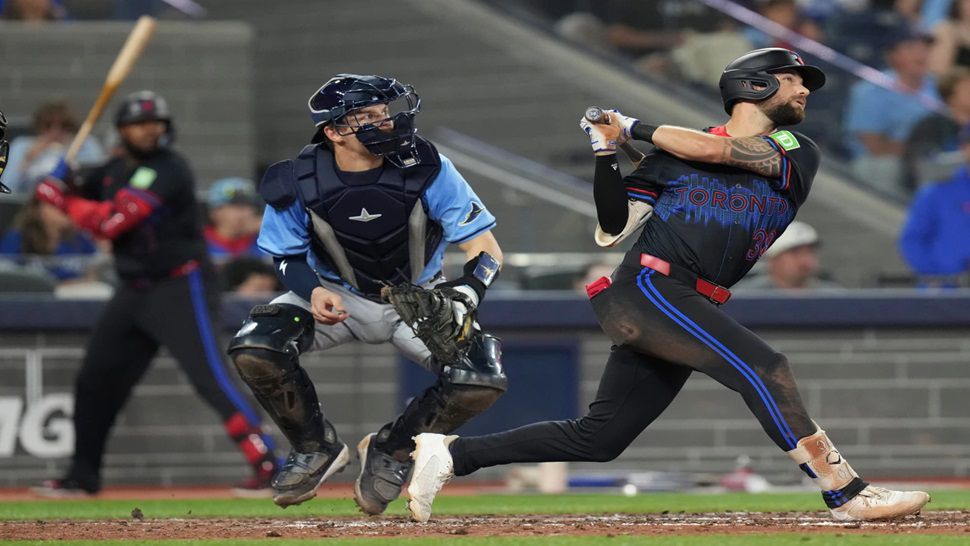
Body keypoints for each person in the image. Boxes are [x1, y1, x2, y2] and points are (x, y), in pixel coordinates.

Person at [406, 48, 930, 523]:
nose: (804, 90)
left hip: (683, 300)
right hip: (650, 287)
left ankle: (449, 453)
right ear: (754, 86)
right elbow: (615, 226)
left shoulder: (796, 148)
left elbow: (726, 153)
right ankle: (845, 492)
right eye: (793, 79)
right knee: (765, 368)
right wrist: (605, 153)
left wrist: (633, 126)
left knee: (601, 438)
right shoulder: (669, 155)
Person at [226, 74, 507, 515]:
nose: (385, 123)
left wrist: (467, 294)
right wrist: (312, 290)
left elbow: (485, 247)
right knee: (256, 346)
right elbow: (285, 257)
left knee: (480, 377)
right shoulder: (297, 178)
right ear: (334, 132)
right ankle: (314, 446)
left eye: (384, 113)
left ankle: (391, 450)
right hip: (333, 292)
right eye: (367, 117)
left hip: (417, 299)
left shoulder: (428, 165)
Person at [29, 91, 279, 497]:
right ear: (123, 129)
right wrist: (56, 179)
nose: (150, 130)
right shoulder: (112, 169)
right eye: (140, 123)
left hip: (181, 284)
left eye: (157, 123)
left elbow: (112, 222)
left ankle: (269, 465)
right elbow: (77, 189)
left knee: (209, 377)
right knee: (94, 380)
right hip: (134, 290)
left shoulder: (169, 168)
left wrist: (63, 198)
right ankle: (82, 475)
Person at [843, 24, 940, 197]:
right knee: (885, 166)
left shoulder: (938, 88)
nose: (921, 54)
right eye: (911, 47)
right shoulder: (872, 88)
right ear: (892, 55)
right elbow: (875, 146)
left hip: (928, 160)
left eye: (925, 48)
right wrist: (914, 150)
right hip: (882, 162)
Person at [898, 124, 970, 284]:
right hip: (944, 291)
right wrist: (934, 275)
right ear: (963, 148)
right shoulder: (938, 192)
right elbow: (912, 239)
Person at [2, 99, 105, 193]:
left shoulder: (86, 145)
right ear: (39, 127)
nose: (55, 131)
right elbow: (7, 187)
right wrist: (27, 160)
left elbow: (100, 180)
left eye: (64, 126)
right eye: (48, 125)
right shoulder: (22, 146)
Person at [0, 196, 103, 286]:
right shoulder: (17, 238)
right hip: (35, 298)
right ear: (38, 209)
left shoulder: (79, 238)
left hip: (76, 297)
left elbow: (99, 267)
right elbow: (7, 274)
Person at [903, 66, 970, 190]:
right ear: (951, 97)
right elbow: (922, 167)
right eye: (968, 88)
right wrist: (963, 158)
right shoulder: (932, 125)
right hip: (939, 193)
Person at [732, 221, 841, 291]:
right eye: (795, 252)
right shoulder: (747, 295)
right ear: (773, 258)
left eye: (810, 251)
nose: (805, 259)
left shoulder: (834, 295)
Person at [204, 177, 263, 261]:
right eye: (238, 207)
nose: (246, 213)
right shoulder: (199, 244)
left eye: (250, 206)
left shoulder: (263, 243)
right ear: (215, 212)